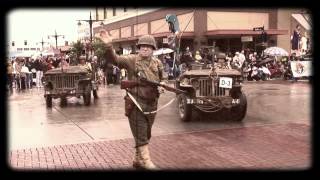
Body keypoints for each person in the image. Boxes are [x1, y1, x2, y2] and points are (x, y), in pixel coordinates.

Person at [97, 30, 165, 169]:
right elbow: (114, 59)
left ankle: (137, 159)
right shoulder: (131, 60)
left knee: (146, 133)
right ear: (138, 48)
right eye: (142, 46)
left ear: (153, 49)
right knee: (140, 132)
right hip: (135, 102)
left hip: (152, 103)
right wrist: (109, 46)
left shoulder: (158, 63)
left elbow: (162, 78)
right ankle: (146, 161)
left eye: (149, 46)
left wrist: (162, 86)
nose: (145, 48)